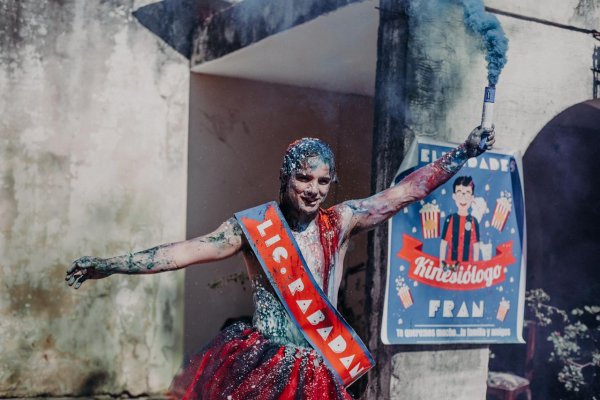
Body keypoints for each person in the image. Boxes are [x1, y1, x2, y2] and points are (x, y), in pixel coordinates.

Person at [66, 127, 495, 399]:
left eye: (323, 180)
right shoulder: (251, 228)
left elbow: (404, 193)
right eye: (303, 178)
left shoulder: (340, 222)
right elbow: (183, 252)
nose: (313, 189)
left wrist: (462, 154)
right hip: (263, 367)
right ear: (286, 177)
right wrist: (112, 264)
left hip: (321, 367)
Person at [439, 176, 481, 271]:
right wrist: (441, 263)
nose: (463, 198)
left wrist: (475, 267)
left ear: (472, 197)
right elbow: (443, 243)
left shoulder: (474, 221)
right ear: (454, 196)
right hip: (451, 266)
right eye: (459, 193)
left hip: (467, 268)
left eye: (467, 194)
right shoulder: (450, 219)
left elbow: (476, 246)